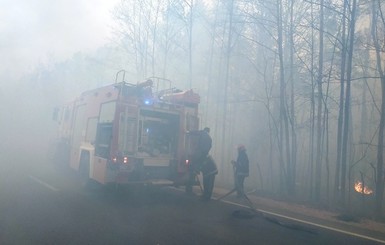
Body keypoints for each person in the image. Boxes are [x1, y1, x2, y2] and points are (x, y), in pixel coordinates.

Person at [186, 127, 214, 199]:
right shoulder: (209, 138)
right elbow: (209, 146)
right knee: (209, 184)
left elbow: (197, 132)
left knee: (207, 183)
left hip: (201, 154)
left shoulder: (203, 133)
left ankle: (205, 196)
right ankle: (206, 196)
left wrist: (189, 132)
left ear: (205, 130)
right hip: (203, 154)